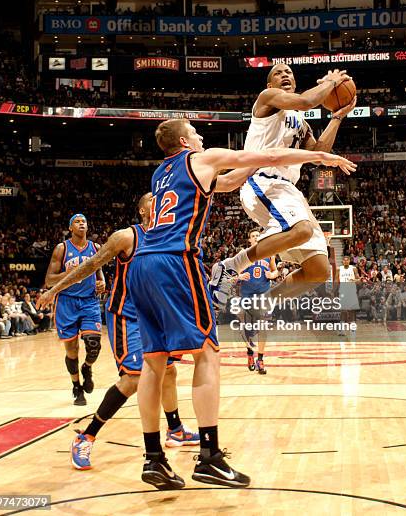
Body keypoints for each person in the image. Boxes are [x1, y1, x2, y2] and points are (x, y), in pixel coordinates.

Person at [128, 118, 356, 491]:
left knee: (154, 364)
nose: (202, 137)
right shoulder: (200, 158)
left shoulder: (160, 175)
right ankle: (209, 457)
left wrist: (253, 169)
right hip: (174, 262)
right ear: (185, 141)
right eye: (196, 133)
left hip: (143, 263)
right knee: (207, 354)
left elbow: (230, 181)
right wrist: (318, 154)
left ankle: (153, 459)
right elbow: (266, 153)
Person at [38, 177, 254, 470]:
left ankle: (175, 430)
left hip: (158, 316)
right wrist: (53, 289)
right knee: (135, 378)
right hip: (128, 317)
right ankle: (86, 436)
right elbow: (90, 266)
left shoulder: (173, 237)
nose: (162, 201)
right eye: (154, 200)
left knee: (169, 373)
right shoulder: (127, 236)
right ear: (143, 210)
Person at [210, 65, 357, 307]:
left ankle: (261, 307)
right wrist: (331, 82)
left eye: (289, 72)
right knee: (302, 230)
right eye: (278, 73)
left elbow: (318, 153)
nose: (285, 75)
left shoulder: (301, 124)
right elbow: (306, 101)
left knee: (318, 270)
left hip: (288, 189)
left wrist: (338, 117)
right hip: (262, 178)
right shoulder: (267, 98)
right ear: (270, 85)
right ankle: (230, 267)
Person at [44, 214, 105, 406]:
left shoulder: (95, 248)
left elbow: (98, 270)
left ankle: (87, 368)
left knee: (94, 344)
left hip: (89, 301)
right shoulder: (62, 249)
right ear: (70, 228)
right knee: (72, 350)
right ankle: (77, 387)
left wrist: (101, 281)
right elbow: (49, 280)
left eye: (84, 221)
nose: (81, 223)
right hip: (67, 302)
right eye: (77, 222)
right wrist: (68, 273)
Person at [237, 229, 278, 374]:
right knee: (247, 328)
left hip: (263, 294)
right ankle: (249, 353)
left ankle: (260, 359)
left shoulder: (269, 252)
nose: (255, 237)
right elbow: (235, 273)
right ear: (249, 240)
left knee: (263, 327)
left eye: (257, 236)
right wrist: (240, 276)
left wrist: (271, 274)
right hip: (247, 294)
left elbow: (276, 272)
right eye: (253, 236)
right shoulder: (243, 254)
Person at [335, 256, 360, 337]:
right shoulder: (339, 269)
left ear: (349, 261)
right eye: (344, 260)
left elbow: (358, 280)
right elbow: (336, 281)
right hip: (343, 291)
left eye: (347, 260)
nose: (346, 261)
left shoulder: (354, 268)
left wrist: (355, 280)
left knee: (352, 310)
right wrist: (334, 291)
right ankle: (342, 330)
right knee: (343, 310)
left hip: (351, 291)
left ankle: (352, 328)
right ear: (342, 261)